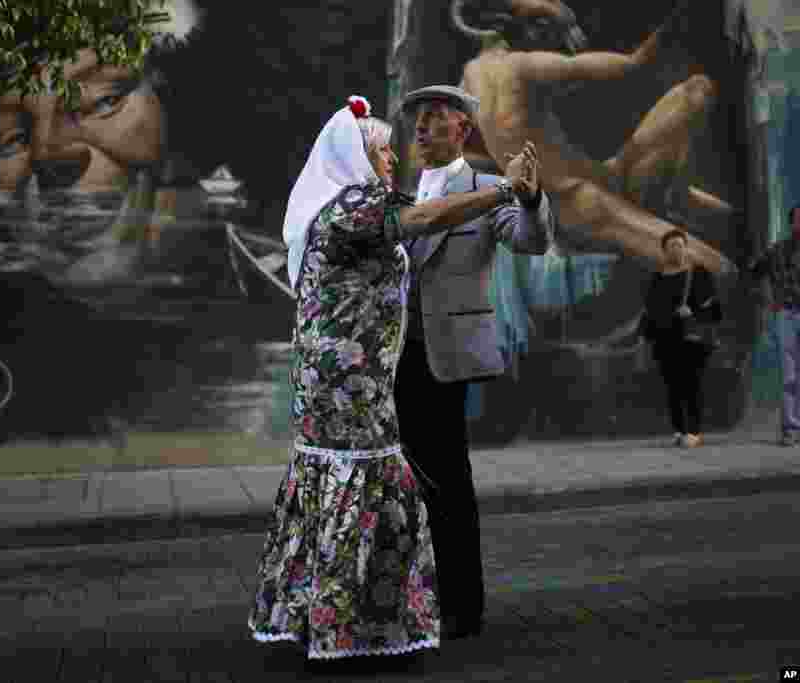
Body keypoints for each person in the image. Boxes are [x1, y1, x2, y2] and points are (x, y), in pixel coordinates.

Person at [248, 94, 538, 662]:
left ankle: (385, 612)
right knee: (369, 492)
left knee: (393, 489)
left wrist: (518, 196)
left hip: (365, 376)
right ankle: (353, 623)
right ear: (355, 157)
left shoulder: (349, 202)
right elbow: (424, 219)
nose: (391, 159)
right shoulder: (353, 208)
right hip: (352, 385)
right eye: (380, 151)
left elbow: (501, 230)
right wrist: (505, 187)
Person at [394, 84, 552, 641]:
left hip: (445, 356)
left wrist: (530, 199)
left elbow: (531, 241)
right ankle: (418, 595)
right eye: (417, 120)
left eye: (435, 119)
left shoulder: (489, 188)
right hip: (394, 359)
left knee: (447, 482)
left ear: (462, 129)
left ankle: (462, 606)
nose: (420, 129)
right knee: (404, 483)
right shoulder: (403, 193)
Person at [451, 0, 736, 276]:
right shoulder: (522, 67)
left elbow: (473, 161)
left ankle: (677, 197)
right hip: (586, 206)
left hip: (604, 181)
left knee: (696, 91)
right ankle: (682, 209)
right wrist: (679, 15)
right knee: (719, 269)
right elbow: (632, 64)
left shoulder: (467, 86)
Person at [641, 229, 722, 448]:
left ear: (686, 248)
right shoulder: (657, 278)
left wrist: (693, 312)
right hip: (666, 340)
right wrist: (646, 336)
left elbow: (715, 310)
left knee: (692, 385)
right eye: (671, 246)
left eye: (679, 245)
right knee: (672, 387)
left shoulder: (699, 274)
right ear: (664, 251)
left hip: (692, 339)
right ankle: (679, 429)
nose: (675, 249)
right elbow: (650, 309)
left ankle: (694, 432)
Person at [748, 205, 800, 446]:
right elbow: (753, 273)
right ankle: (790, 428)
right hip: (787, 314)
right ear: (792, 223)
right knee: (789, 375)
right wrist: (769, 301)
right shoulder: (776, 250)